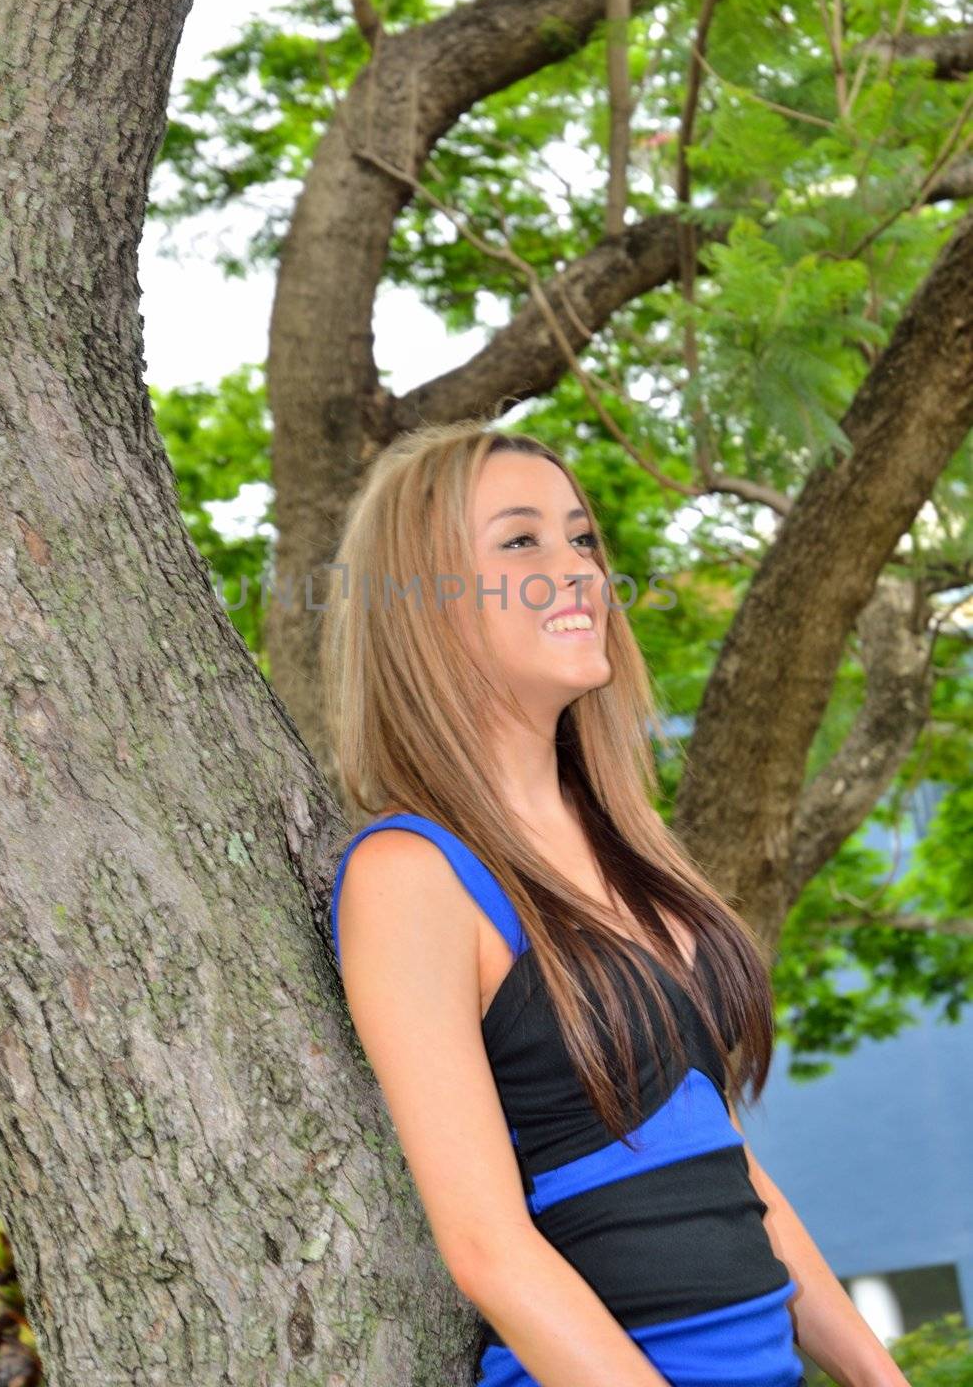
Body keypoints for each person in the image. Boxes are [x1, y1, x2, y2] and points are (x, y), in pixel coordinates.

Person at [321, 421, 911, 1387]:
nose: (580, 571)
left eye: (582, 538)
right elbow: (485, 1246)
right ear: (422, 603)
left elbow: (719, 1161)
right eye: (521, 542)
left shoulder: (624, 847)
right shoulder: (411, 873)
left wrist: (879, 1377)